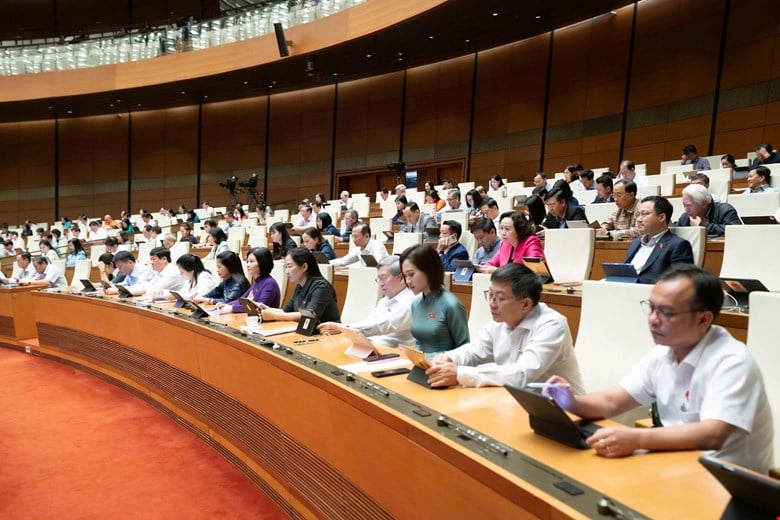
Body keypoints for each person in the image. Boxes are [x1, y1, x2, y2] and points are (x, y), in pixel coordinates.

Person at [544, 265, 773, 474]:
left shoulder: (732, 360)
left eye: (667, 312)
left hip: (729, 484)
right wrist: (571, 402)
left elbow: (713, 434)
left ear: (704, 319)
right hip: (676, 466)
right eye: (652, 308)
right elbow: (613, 401)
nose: (653, 320)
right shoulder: (663, 352)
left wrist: (638, 438)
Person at [425, 264, 584, 390]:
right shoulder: (499, 322)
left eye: (499, 298)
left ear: (526, 304)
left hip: (564, 410)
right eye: (490, 294)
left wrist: (460, 373)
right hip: (512, 402)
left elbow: (522, 375)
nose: (492, 303)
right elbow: (475, 351)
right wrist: (450, 358)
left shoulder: (551, 325)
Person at [318, 256, 415, 347]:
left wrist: (342, 328)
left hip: (394, 353)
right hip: (370, 346)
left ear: (402, 278)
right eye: (379, 279)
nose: (381, 284)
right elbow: (368, 323)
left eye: (384, 278)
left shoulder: (412, 302)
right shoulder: (384, 300)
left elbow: (381, 326)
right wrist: (343, 331)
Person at [400, 244, 469, 354]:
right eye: (405, 276)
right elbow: (419, 344)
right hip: (421, 364)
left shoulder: (451, 304)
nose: (407, 281)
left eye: (411, 274)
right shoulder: (416, 303)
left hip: (444, 367)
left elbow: (464, 349)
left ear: (428, 270)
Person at [625, 196, 694, 284]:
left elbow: (680, 283)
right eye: (638, 214)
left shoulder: (678, 245)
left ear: (661, 217)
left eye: (644, 214)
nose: (638, 219)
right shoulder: (635, 242)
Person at [261, 247, 341, 323]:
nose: (286, 271)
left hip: (327, 333)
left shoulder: (321, 286)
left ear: (304, 267)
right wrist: (266, 309)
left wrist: (274, 316)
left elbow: (309, 315)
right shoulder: (300, 286)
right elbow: (285, 311)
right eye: (285, 267)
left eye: (289, 266)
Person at [221, 247, 281, 314]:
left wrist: (233, 308)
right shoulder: (257, 281)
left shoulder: (269, 283)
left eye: (251, 261)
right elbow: (241, 300)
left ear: (262, 263)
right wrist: (227, 305)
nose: (248, 265)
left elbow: (259, 308)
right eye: (247, 262)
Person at [677, 184, 741, 236]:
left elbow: (735, 232)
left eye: (689, 205)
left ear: (704, 203)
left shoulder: (725, 210)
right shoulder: (685, 217)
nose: (686, 210)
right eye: (684, 205)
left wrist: (703, 225)